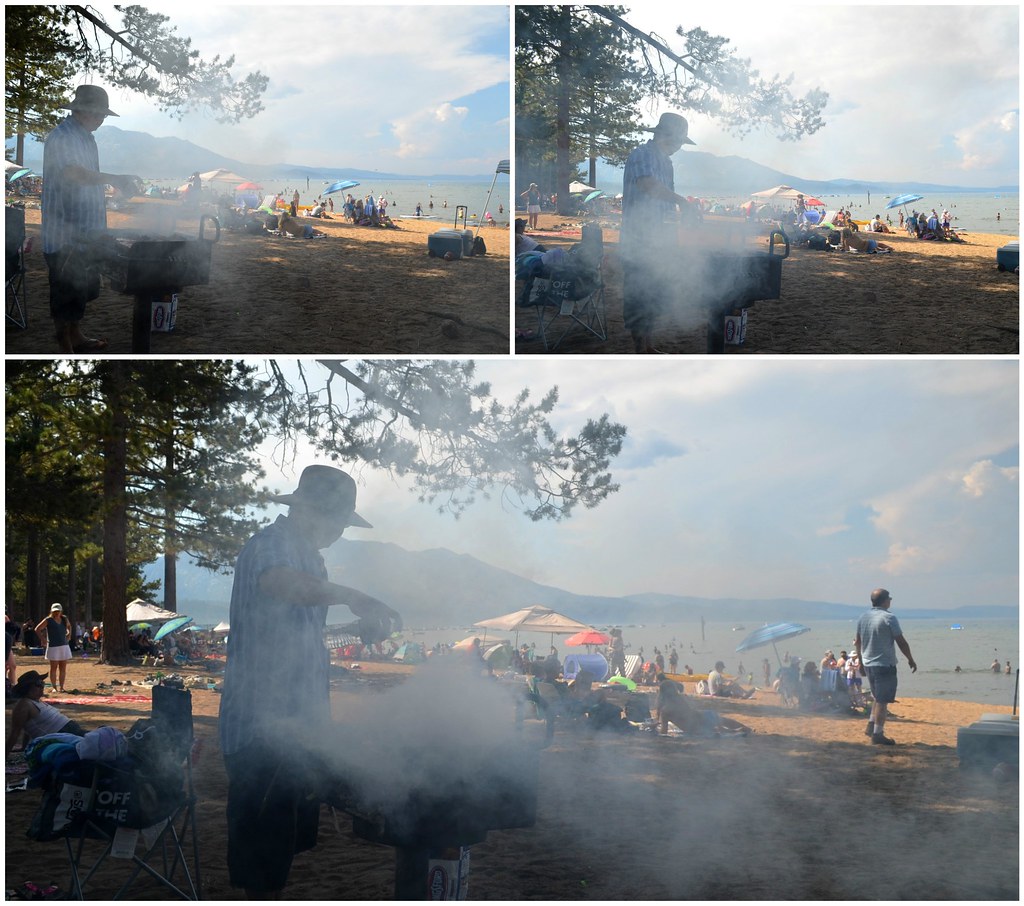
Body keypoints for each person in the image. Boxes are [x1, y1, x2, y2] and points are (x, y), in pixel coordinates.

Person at [219, 465, 402, 899]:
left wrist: (358, 631)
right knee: (262, 861)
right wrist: (353, 595)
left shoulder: (310, 556)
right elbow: (280, 584)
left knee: (281, 847)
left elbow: (299, 631)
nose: (340, 530)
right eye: (338, 520)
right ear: (309, 511)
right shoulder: (272, 544)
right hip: (261, 729)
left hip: (298, 727)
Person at [42, 85, 141, 353]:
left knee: (81, 290)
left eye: (104, 115)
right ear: (82, 110)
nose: (102, 119)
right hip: (65, 232)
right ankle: (65, 345)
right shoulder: (62, 137)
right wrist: (115, 179)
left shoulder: (86, 137)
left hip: (88, 231)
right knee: (65, 290)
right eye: (98, 114)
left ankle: (76, 336)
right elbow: (74, 174)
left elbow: (88, 179)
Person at [620, 112, 699, 353]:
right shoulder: (642, 154)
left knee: (653, 292)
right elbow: (647, 185)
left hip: (661, 235)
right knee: (639, 293)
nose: (678, 147)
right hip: (639, 237)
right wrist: (682, 202)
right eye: (677, 142)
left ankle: (648, 345)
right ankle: (639, 349)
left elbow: (664, 200)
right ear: (665, 136)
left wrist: (680, 218)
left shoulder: (667, 162)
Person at [855, 588, 917, 746]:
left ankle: (870, 726)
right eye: (889, 598)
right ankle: (878, 734)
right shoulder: (889, 618)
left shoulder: (863, 617)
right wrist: (910, 658)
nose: (890, 600)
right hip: (884, 664)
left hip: (869, 664)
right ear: (884, 601)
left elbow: (858, 642)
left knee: (877, 696)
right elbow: (901, 641)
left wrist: (861, 663)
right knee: (882, 701)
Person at [6, 670, 86, 755]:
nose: (42, 686)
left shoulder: (36, 701)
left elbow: (28, 727)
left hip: (68, 731)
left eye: (42, 683)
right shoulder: (24, 705)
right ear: (27, 688)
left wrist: (24, 746)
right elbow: (15, 733)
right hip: (62, 735)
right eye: (38, 684)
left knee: (99, 735)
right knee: (98, 741)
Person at [656, 677, 750, 736]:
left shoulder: (665, 710)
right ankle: (744, 727)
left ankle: (739, 730)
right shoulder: (680, 699)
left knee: (721, 730)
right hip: (702, 716)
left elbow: (664, 732)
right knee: (722, 720)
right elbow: (690, 711)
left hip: (696, 727)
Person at [35, 604, 73, 693]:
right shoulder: (48, 620)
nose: (56, 613)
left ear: (61, 611)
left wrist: (69, 634)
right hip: (53, 646)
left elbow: (69, 626)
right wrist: (43, 639)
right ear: (52, 611)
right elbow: (37, 629)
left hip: (64, 645)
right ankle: (54, 687)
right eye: (55, 611)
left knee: (63, 668)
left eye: (58, 611)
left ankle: (62, 687)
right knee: (54, 668)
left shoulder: (64, 619)